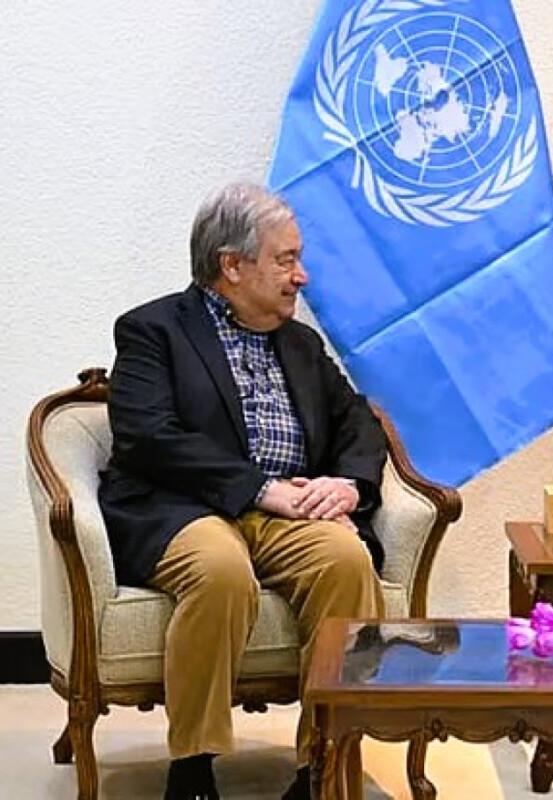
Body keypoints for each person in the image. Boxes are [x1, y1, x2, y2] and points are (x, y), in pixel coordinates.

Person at [99, 182, 387, 800]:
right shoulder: (152, 331)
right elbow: (147, 436)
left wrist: (350, 485)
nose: (301, 276)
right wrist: (258, 488)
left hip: (290, 510)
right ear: (232, 266)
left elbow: (357, 420)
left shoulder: (300, 342)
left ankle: (323, 765)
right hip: (184, 509)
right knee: (221, 569)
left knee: (345, 560)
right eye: (285, 260)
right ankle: (194, 764)